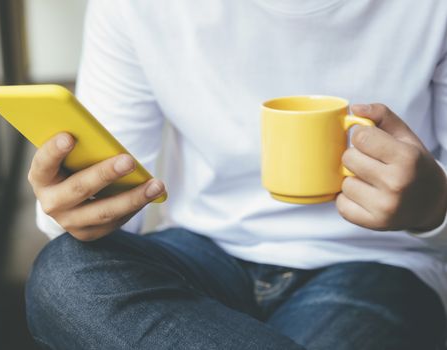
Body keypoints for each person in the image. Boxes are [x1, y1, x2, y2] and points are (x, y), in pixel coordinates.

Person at [25, 1, 447, 349]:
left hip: (378, 264)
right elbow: (112, 210)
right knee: (64, 275)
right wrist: (72, 204)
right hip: (203, 250)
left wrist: (434, 205)